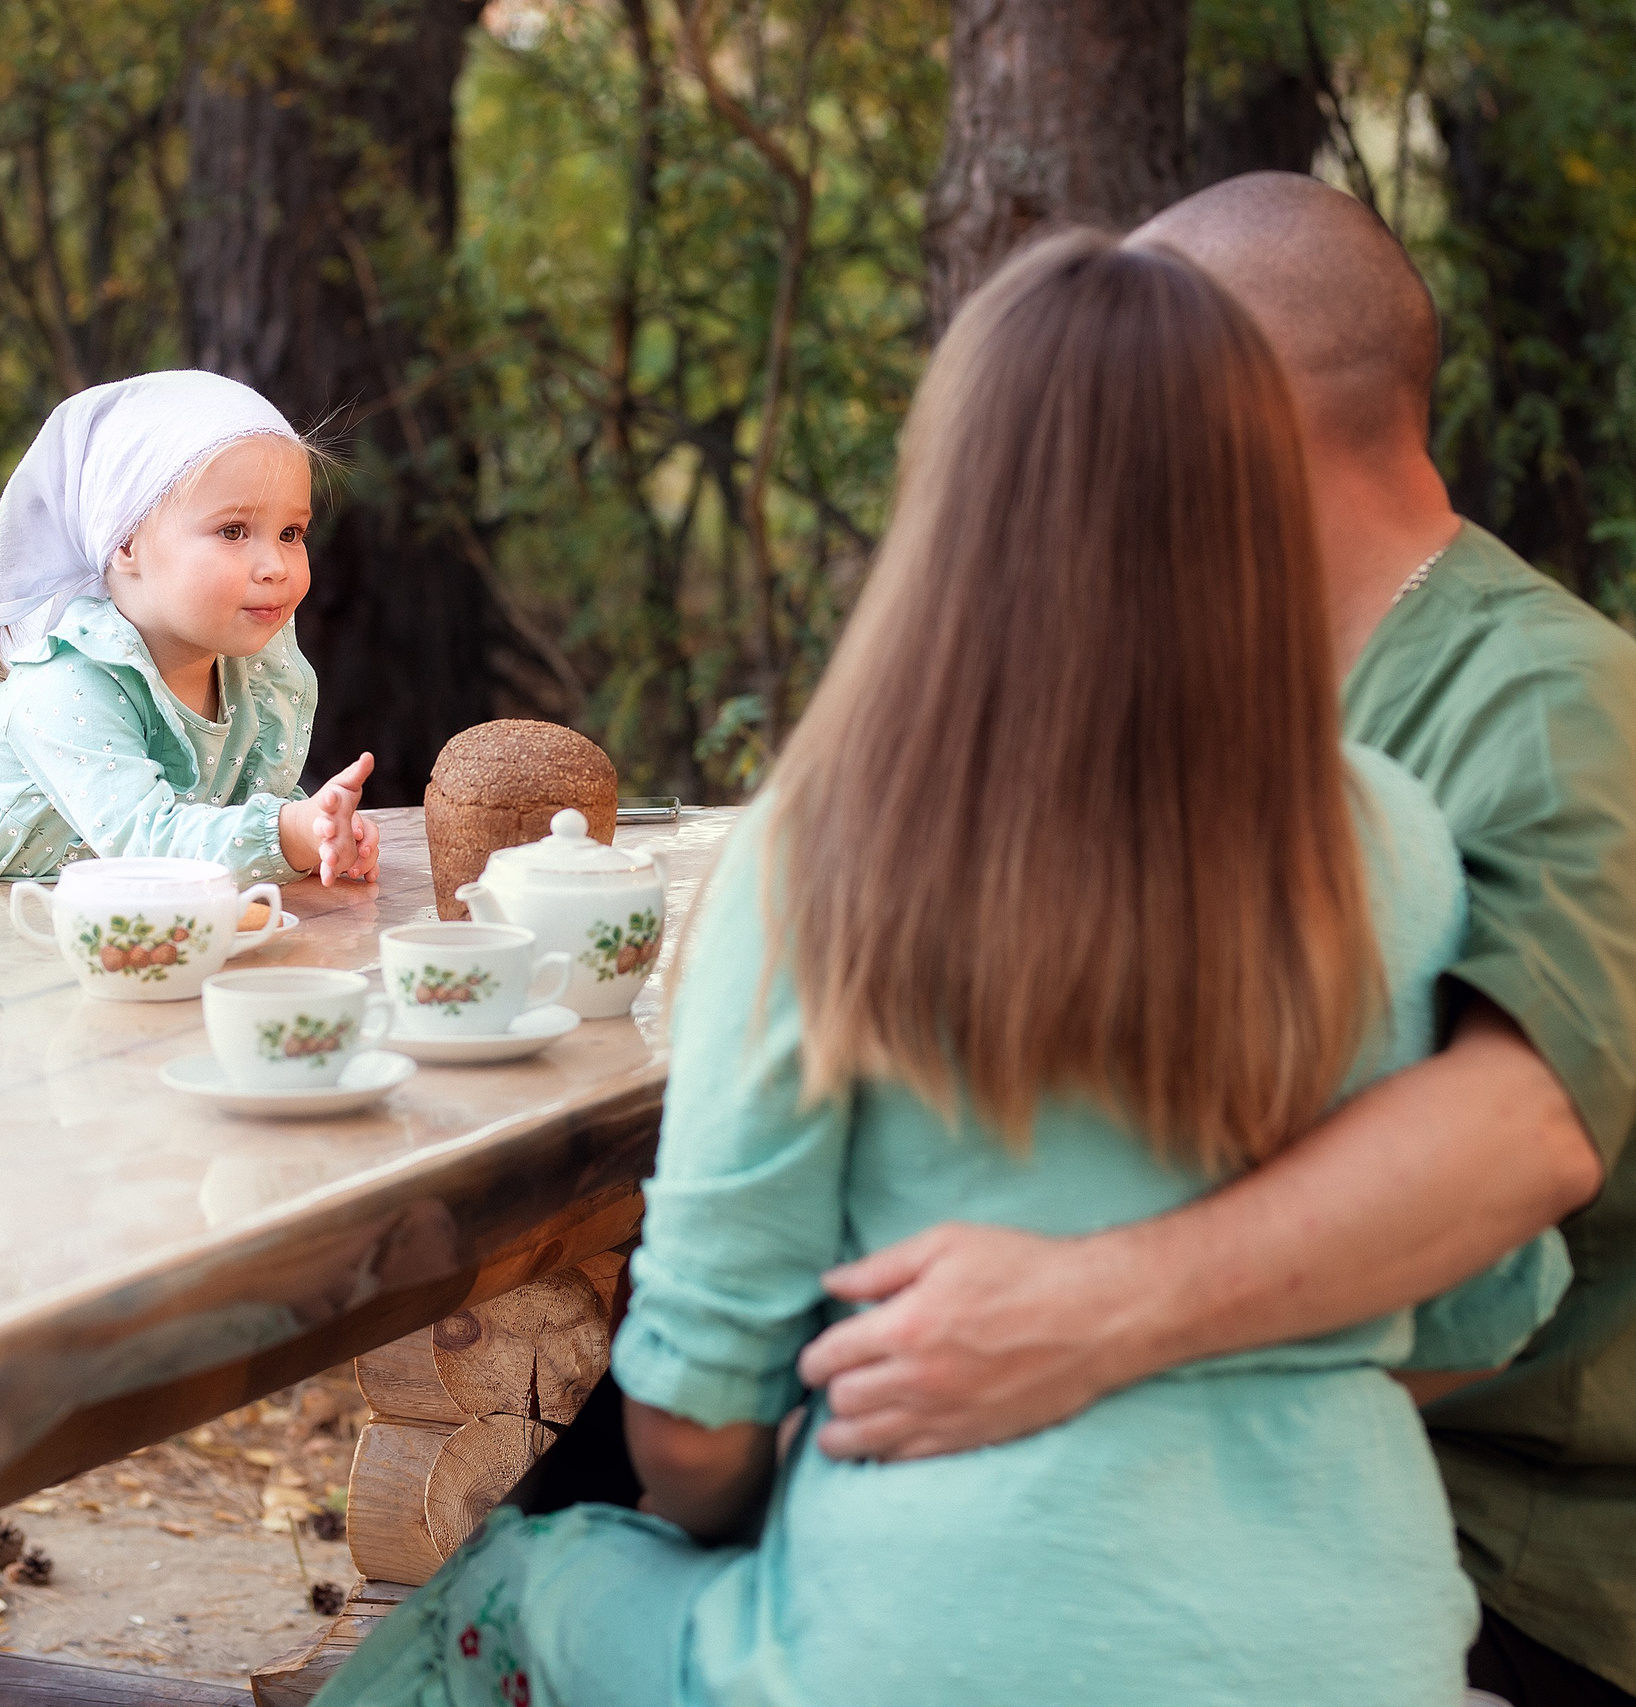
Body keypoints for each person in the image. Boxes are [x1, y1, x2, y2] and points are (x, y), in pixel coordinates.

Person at [317, 232, 1567, 1707]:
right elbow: (1486, 1311)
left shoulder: (819, 853)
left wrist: (812, 1474)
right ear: (1260, 517)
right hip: (1359, 1647)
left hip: (911, 1648)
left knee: (527, 1584)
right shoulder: (1393, 838)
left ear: (954, 509)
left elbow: (692, 1421)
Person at [794, 175, 1636, 1707]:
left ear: (1227, 413)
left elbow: (1518, 1131)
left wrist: (1069, 1317)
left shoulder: (1546, 703)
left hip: (1490, 1553)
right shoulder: (1241, 698)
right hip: (1228, 1460)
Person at [0, 370, 377, 922]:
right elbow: (150, 850)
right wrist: (287, 834)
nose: (275, 565)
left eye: (291, 532)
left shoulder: (250, 669)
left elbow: (239, 805)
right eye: (233, 530)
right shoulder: (69, 682)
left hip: (22, 935)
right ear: (126, 542)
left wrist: (323, 831)